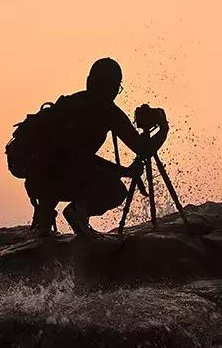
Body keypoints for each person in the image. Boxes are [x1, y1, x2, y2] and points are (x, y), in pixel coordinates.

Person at [26, 57, 168, 237]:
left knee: (62, 165)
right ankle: (78, 212)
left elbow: (59, 154)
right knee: (116, 190)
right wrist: (163, 127)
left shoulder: (67, 103)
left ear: (89, 81)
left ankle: (44, 219)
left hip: (37, 182)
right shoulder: (108, 111)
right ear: (113, 87)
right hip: (58, 177)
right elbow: (143, 149)